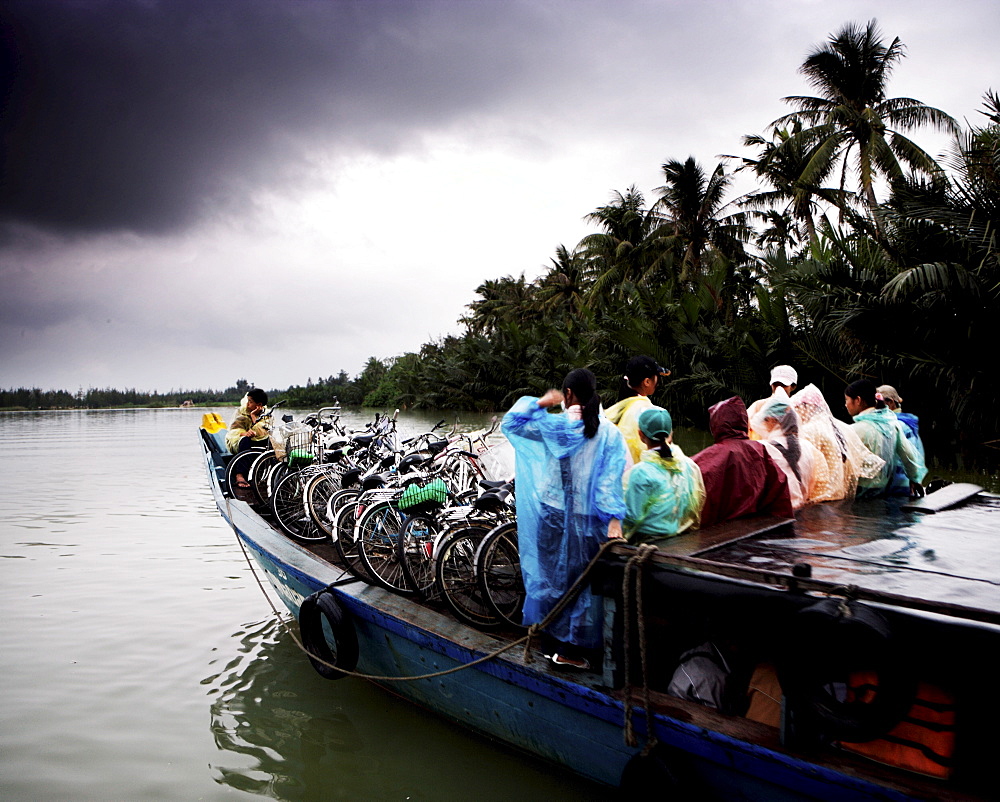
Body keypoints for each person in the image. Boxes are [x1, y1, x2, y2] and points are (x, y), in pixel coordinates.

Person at [501, 368, 628, 669]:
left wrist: (541, 403)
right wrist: (614, 520)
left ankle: (553, 645)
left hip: (554, 513)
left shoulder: (555, 426)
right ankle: (573, 647)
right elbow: (610, 482)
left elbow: (511, 424)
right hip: (589, 520)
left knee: (550, 579)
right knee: (583, 586)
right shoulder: (609, 432)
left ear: (568, 395)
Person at [692, 396, 794, 526]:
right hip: (756, 530)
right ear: (744, 421)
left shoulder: (705, 460)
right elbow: (780, 495)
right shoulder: (761, 451)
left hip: (718, 533)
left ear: (715, 424)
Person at [791, 384, 885, 501]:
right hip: (839, 493)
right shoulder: (841, 427)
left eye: (797, 408)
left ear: (805, 407)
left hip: (818, 497)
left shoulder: (809, 430)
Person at [623, 406, 705, 542]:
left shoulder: (640, 472)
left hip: (649, 543)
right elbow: (698, 503)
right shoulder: (690, 466)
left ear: (641, 435)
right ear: (671, 433)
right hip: (683, 540)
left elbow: (631, 518)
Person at [844, 379, 926, 497]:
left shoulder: (855, 430)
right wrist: (914, 479)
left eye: (847, 400)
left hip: (860, 491)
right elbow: (908, 456)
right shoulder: (892, 425)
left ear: (858, 400)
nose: (845, 404)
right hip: (884, 489)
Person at [748, 389, 823, 510]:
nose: (764, 424)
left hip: (775, 512)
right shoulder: (809, 448)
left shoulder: (763, 448)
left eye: (766, 419)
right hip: (801, 510)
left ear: (773, 420)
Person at [604, 355, 671, 466]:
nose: (658, 381)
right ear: (647, 382)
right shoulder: (649, 412)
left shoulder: (616, 410)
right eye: (657, 377)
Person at [877, 384, 927, 495]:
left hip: (897, 485)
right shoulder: (907, 423)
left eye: (878, 402)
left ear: (890, 402)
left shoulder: (896, 425)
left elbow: (909, 456)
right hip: (905, 483)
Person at [225, 388, 271, 490]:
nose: (248, 404)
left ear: (259, 405)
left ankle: (270, 473)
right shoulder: (241, 412)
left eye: (251, 402)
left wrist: (254, 417)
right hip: (238, 441)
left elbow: (263, 432)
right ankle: (239, 475)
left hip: (259, 441)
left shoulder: (267, 414)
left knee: (272, 442)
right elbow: (233, 431)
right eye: (248, 401)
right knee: (245, 440)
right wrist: (244, 433)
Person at [747, 365, 798, 439]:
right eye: (776, 384)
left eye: (783, 385)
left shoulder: (797, 408)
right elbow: (744, 425)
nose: (779, 388)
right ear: (771, 384)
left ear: (793, 386)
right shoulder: (759, 405)